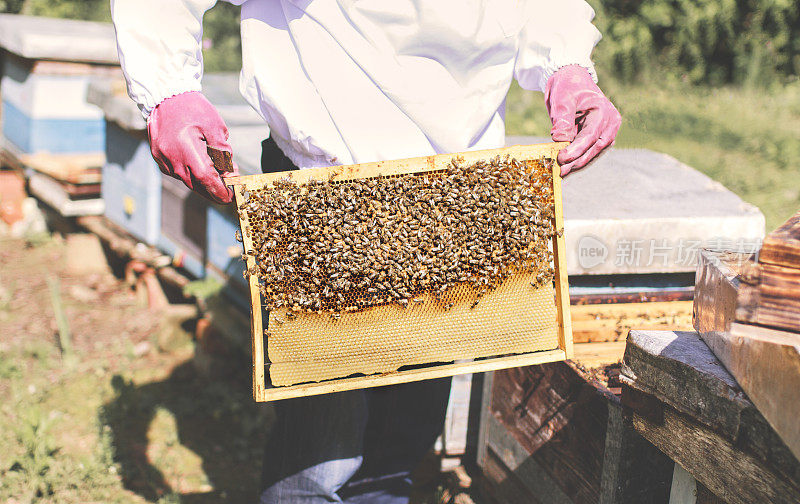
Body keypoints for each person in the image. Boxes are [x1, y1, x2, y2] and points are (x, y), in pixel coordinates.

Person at [111, 1, 621, 502]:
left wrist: (567, 67)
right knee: (317, 461)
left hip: (457, 191)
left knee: (399, 446)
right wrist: (169, 90)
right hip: (325, 179)